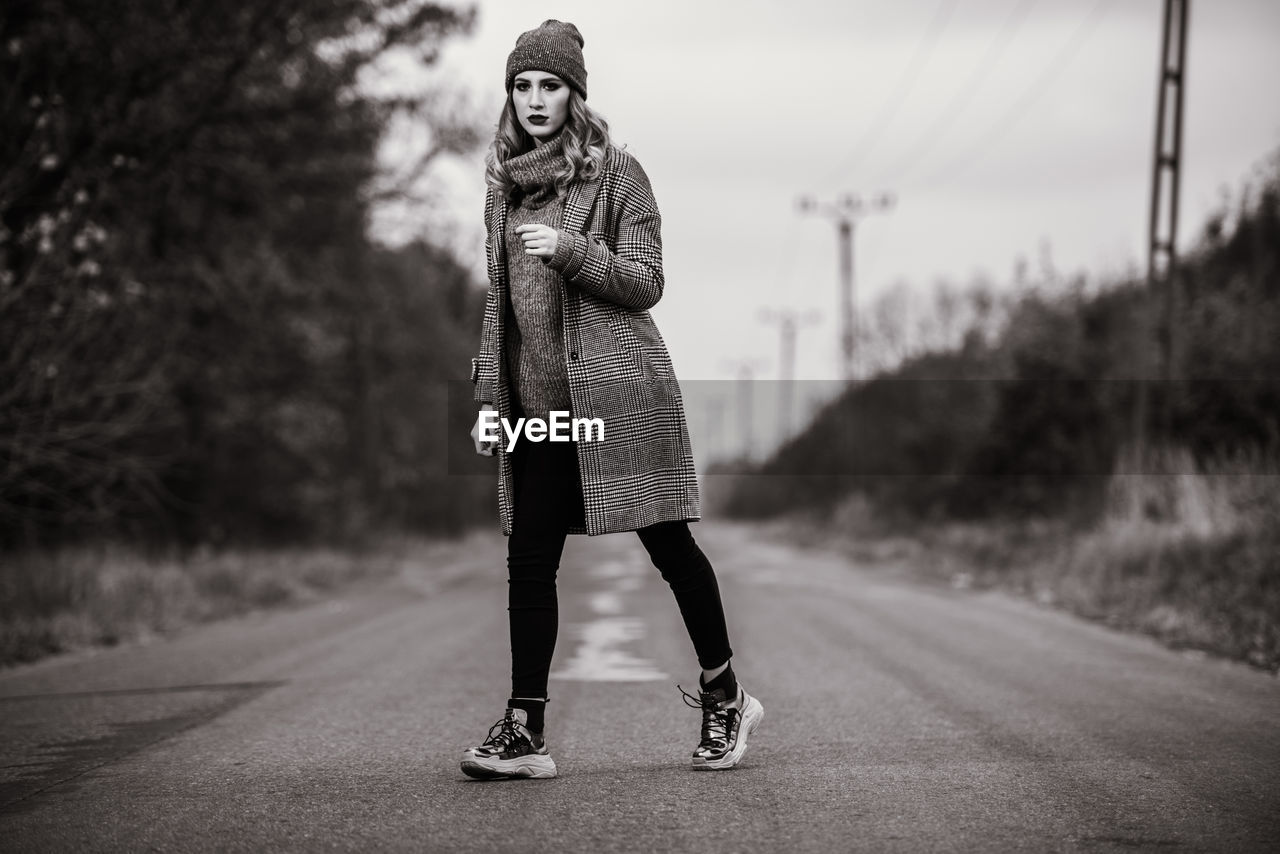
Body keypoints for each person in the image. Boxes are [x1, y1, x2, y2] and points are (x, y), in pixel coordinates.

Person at [462, 20, 763, 781]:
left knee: (669, 548)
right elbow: (500, 308)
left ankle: (725, 695)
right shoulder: (503, 188)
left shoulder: (619, 175)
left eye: (550, 86)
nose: (535, 100)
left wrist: (572, 252)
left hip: (621, 395)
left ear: (575, 95)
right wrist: (491, 399)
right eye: (523, 86)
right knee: (528, 561)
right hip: (541, 409)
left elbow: (647, 280)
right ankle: (525, 730)